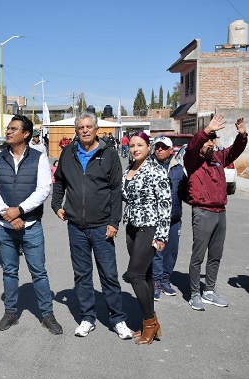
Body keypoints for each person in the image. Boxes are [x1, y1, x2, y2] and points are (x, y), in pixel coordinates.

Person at [51, 111, 133, 340]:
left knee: (109, 274)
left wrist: (114, 222)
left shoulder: (109, 154)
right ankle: (87, 317)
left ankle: (118, 319)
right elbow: (59, 182)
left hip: (102, 227)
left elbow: (116, 191)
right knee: (82, 275)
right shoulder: (68, 153)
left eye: (89, 126)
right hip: (76, 226)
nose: (85, 130)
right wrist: (56, 204)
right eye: (81, 127)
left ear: (96, 129)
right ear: (76, 131)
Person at [0, 114, 63, 335]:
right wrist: (8, 214)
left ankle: (47, 315)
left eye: (13, 128)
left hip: (31, 226)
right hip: (4, 226)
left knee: (38, 271)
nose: (8, 132)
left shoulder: (38, 158)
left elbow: (43, 190)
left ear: (26, 133)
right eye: (8, 128)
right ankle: (10, 312)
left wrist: (19, 210)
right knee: (9, 271)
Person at [184, 114, 248, 311]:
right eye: (208, 140)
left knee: (216, 255)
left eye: (213, 140)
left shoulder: (219, 158)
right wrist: (206, 131)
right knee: (198, 256)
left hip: (220, 212)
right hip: (202, 211)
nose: (211, 143)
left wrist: (242, 135)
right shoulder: (193, 160)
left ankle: (209, 291)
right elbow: (194, 146)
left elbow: (235, 151)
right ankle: (195, 294)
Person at [122, 132, 171, 344]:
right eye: (132, 145)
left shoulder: (156, 170)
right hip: (132, 227)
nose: (135, 149)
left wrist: (161, 235)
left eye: (140, 145)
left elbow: (166, 204)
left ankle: (149, 322)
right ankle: (149, 323)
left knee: (134, 275)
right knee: (146, 275)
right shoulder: (129, 169)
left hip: (149, 228)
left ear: (148, 147)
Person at [151, 136, 187, 300]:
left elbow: (185, 193)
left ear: (170, 150)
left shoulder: (179, 169)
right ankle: (156, 282)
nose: (159, 150)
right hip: (155, 219)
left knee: (171, 251)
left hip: (174, 217)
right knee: (157, 251)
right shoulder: (148, 167)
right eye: (157, 147)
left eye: (163, 147)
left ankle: (165, 279)